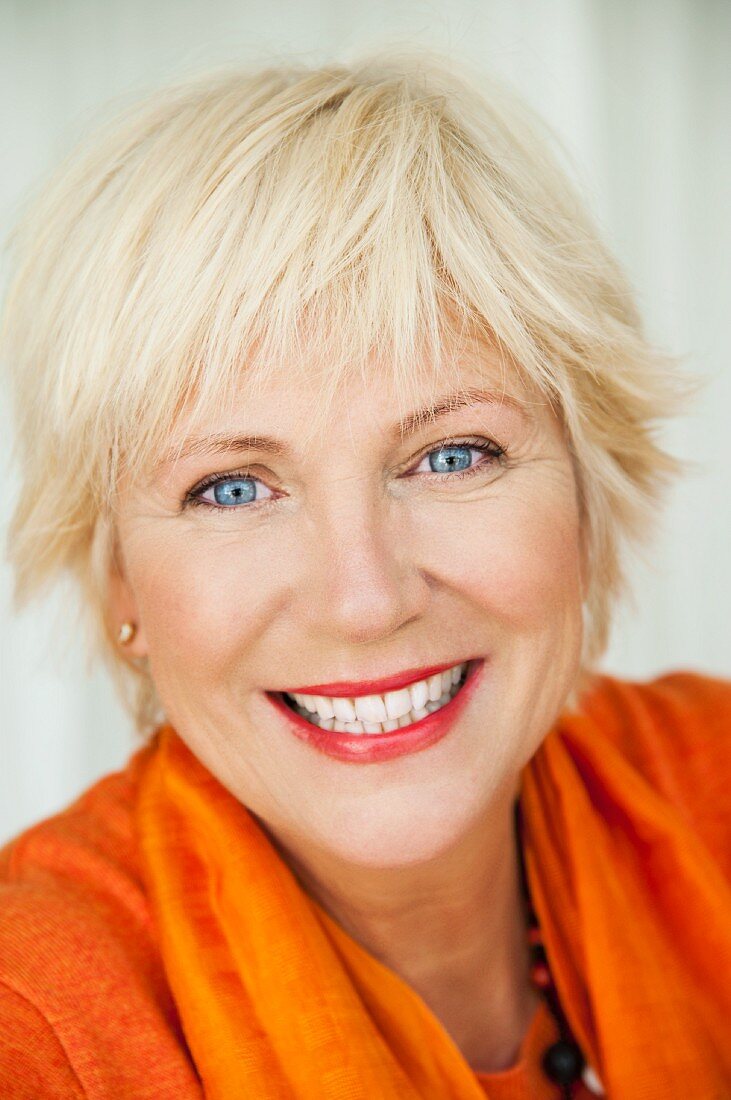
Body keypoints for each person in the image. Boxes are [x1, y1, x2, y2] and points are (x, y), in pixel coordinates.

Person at [0, 53, 729, 1100]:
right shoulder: (37, 1021)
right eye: (231, 488)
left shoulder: (711, 797)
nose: (365, 597)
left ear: (589, 499)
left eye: (452, 455)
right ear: (121, 587)